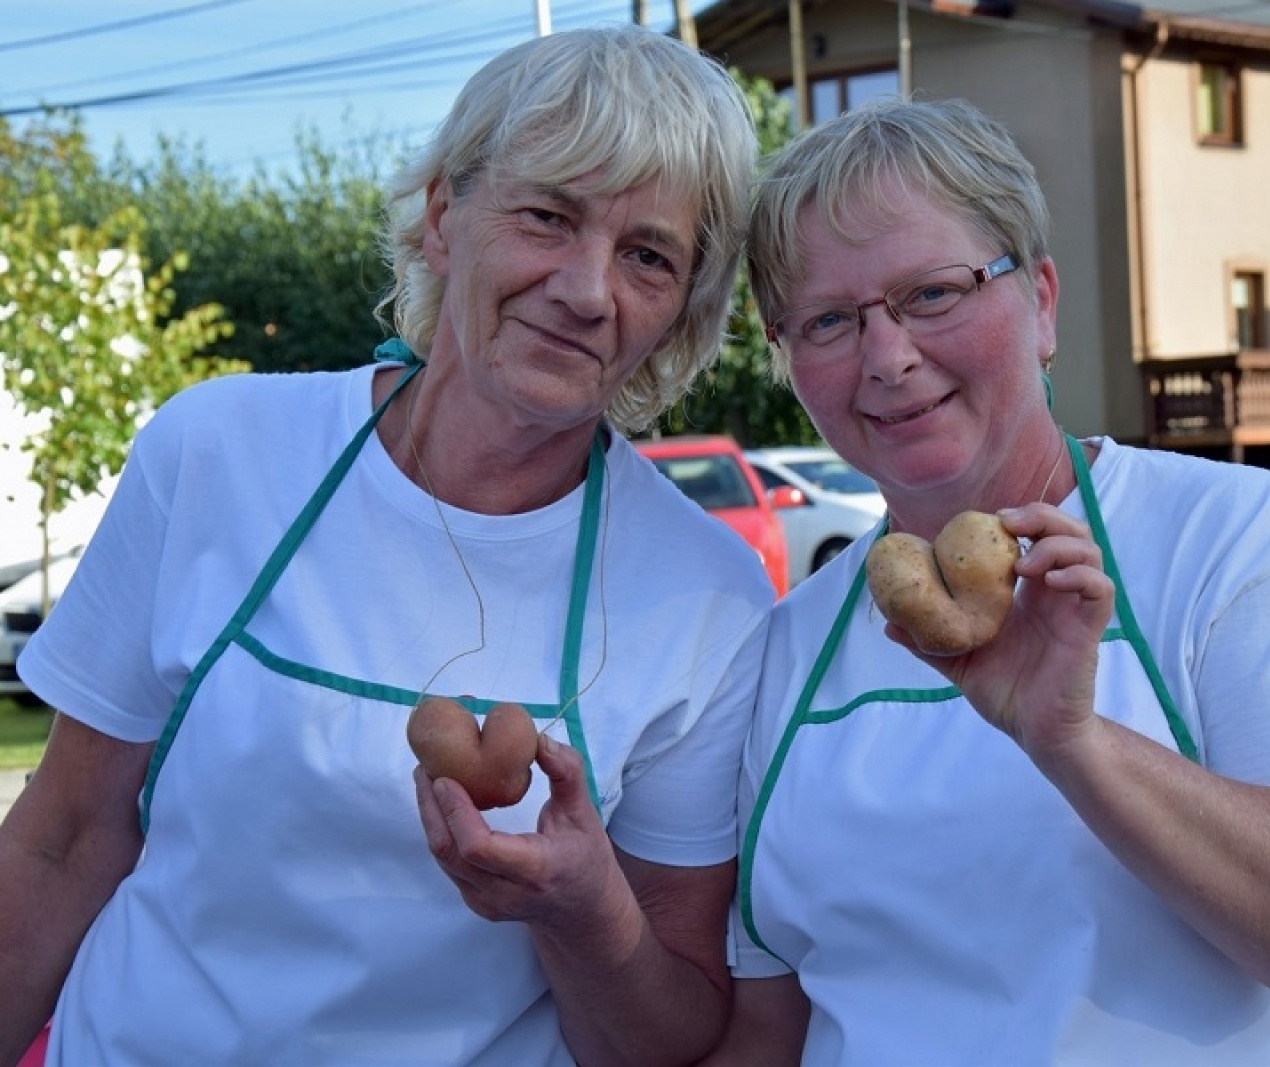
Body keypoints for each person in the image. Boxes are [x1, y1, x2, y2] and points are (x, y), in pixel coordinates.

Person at [0, 25, 768, 1067]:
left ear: (680, 311)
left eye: (648, 256)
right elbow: (62, 841)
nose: (588, 289)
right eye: (548, 216)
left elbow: (666, 1037)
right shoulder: (219, 452)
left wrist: (586, 914)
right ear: (444, 217)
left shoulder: (707, 595)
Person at [709, 98, 1270, 1065]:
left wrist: (1075, 741)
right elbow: (768, 1029)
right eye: (829, 320)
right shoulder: (787, 649)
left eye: (933, 293)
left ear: (1040, 302)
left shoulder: (1226, 535)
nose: (888, 357)